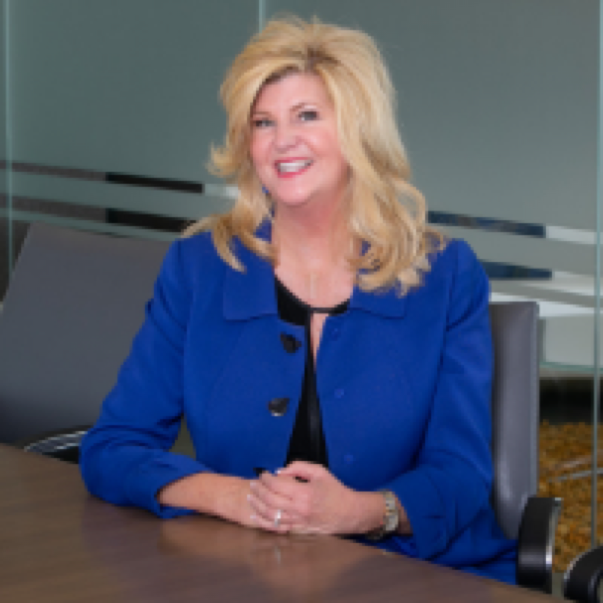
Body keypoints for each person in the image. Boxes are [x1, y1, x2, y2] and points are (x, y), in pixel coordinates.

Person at [80, 16, 517, 583]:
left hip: (414, 575)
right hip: (243, 572)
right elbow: (114, 446)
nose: (282, 140)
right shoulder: (200, 267)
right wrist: (232, 497)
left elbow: (460, 475)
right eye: (263, 122)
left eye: (306, 115)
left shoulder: (444, 274)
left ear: (358, 129)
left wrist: (362, 511)